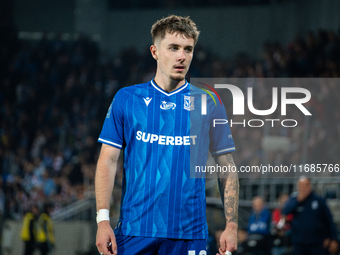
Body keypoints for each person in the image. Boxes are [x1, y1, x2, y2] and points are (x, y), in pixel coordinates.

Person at [95, 15, 239, 255]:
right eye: (173, 48)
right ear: (155, 51)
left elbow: (227, 165)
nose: (181, 56)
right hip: (134, 231)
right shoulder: (127, 99)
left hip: (189, 235)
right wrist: (102, 220)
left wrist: (232, 224)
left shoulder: (208, 102)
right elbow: (108, 160)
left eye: (188, 49)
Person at [282, 176, 338, 255]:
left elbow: (329, 220)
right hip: (299, 242)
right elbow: (285, 211)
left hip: (317, 243)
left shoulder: (318, 200)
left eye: (306, 185)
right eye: (301, 185)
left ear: (310, 186)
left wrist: (333, 238)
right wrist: (298, 201)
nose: (303, 188)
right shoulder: (294, 199)